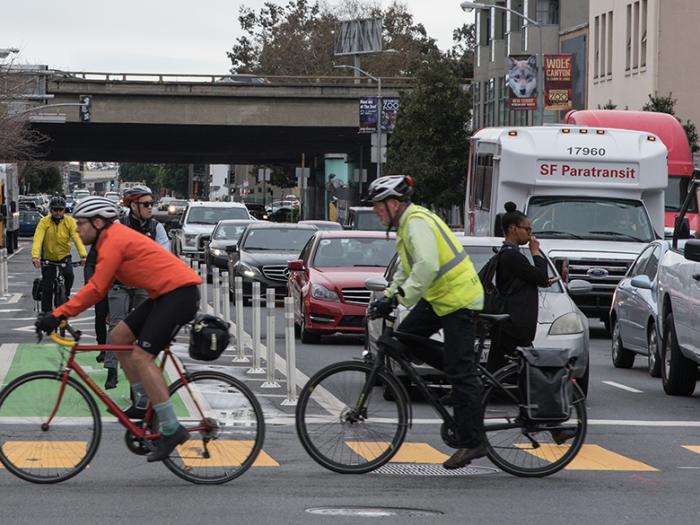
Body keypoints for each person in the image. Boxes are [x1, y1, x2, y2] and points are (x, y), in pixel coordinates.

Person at [35, 196, 202, 462]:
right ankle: (142, 402)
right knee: (119, 335)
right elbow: (98, 287)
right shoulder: (107, 239)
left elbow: (97, 288)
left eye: (81, 223)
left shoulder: (114, 240)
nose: (76, 229)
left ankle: (172, 429)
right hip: (164, 294)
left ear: (98, 222)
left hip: (178, 295)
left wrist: (58, 314)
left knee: (141, 356)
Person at [368, 175, 486, 470]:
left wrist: (400, 298)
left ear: (394, 204)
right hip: (439, 298)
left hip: (459, 299)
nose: (375, 211)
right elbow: (405, 270)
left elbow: (427, 265)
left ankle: (473, 441)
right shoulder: (406, 227)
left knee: (460, 372)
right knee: (404, 337)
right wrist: (390, 295)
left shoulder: (417, 222)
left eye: (378, 205)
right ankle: (460, 372)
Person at [98, 186, 169, 390]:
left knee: (141, 331)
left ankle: (136, 382)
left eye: (151, 204)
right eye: (145, 204)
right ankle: (112, 371)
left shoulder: (157, 228)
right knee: (117, 325)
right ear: (132, 205)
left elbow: (163, 256)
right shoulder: (119, 225)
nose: (150, 208)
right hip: (119, 285)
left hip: (143, 286)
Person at [486, 202, 552, 373]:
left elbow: (535, 278)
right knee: (529, 372)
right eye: (527, 229)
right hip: (514, 324)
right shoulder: (511, 256)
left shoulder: (508, 254)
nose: (530, 234)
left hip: (509, 324)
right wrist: (535, 251)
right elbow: (541, 276)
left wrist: (541, 280)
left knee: (498, 371)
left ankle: (476, 396)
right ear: (513, 228)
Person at [31, 196, 87, 313]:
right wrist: (35, 257)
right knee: (47, 287)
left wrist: (83, 255)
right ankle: (46, 313)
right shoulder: (44, 222)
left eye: (60, 210)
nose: (57, 212)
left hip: (64, 256)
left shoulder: (69, 222)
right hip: (48, 258)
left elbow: (77, 238)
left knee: (69, 275)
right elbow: (38, 239)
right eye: (55, 209)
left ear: (64, 210)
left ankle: (65, 295)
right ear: (50, 210)